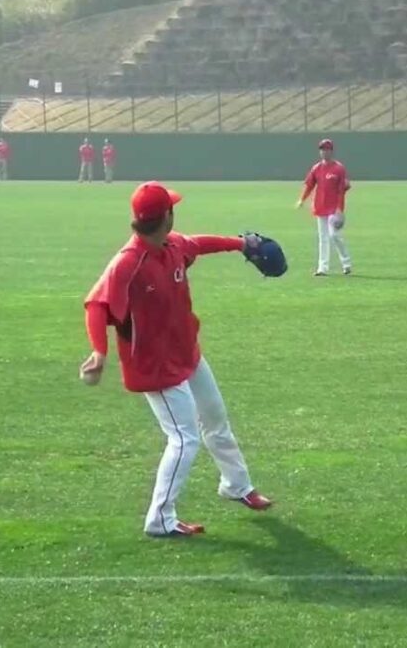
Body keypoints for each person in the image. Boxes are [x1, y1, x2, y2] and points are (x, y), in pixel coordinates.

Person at [79, 181, 273, 538]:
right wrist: (99, 351)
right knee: (184, 439)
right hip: (155, 367)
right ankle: (160, 519)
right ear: (165, 217)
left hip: (186, 351)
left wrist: (242, 244)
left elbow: (201, 243)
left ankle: (236, 485)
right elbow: (97, 304)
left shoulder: (172, 246)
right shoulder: (128, 263)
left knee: (215, 418)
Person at [296, 138, 352, 276]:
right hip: (320, 206)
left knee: (334, 235)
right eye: (322, 149)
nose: (324, 152)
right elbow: (309, 185)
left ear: (331, 151)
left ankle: (346, 262)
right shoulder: (316, 168)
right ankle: (322, 267)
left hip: (334, 208)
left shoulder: (339, 168)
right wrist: (302, 199)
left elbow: (341, 190)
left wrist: (340, 209)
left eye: (327, 149)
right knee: (323, 238)